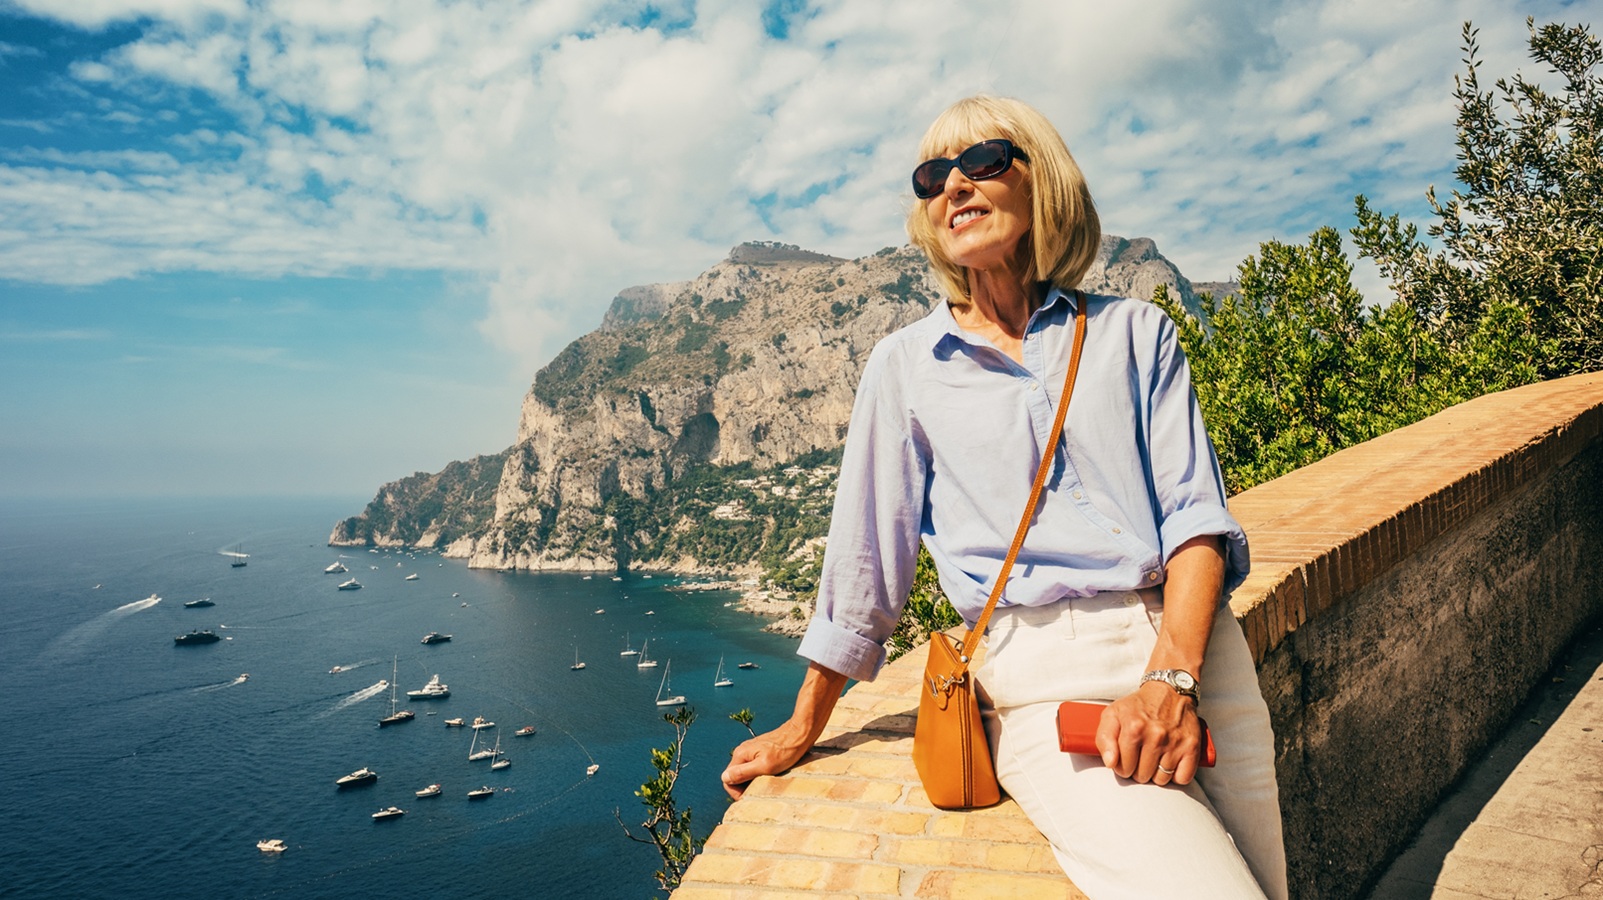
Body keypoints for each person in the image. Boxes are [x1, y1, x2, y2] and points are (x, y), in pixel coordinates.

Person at [720, 95, 1287, 899]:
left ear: (1041, 182)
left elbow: (1195, 517)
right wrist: (803, 725)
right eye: (932, 176)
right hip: (1047, 679)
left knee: (1266, 884)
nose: (954, 185)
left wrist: (1174, 677)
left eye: (982, 162)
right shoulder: (904, 367)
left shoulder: (1135, 333)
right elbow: (863, 570)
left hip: (1200, 660)